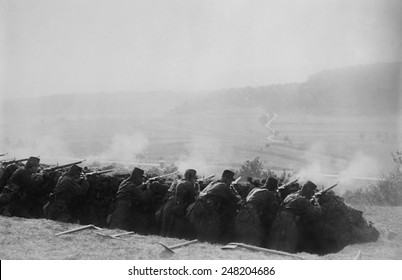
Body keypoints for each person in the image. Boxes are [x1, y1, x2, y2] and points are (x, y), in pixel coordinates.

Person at [187, 169, 242, 243]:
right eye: (230, 180)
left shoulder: (213, 183)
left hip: (198, 208)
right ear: (226, 178)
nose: (230, 182)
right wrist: (233, 188)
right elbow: (236, 200)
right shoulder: (223, 186)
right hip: (208, 213)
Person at [269, 180, 322, 253]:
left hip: (278, 220)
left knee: (274, 244)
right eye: (312, 192)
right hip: (288, 223)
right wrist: (316, 202)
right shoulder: (303, 201)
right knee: (287, 247)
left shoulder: (291, 195)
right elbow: (316, 213)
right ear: (309, 191)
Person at [235, 178, 280, 247]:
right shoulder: (269, 193)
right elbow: (275, 208)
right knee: (257, 237)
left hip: (242, 212)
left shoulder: (255, 189)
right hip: (252, 214)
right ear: (274, 187)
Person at [159, 169, 198, 239]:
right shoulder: (188, 184)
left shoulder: (180, 182)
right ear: (190, 176)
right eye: (194, 177)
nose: (195, 179)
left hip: (172, 207)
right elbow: (192, 199)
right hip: (180, 210)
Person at [109, 167, 149, 232]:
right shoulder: (132, 186)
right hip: (125, 212)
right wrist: (148, 187)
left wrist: (143, 185)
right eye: (141, 178)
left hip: (117, 210)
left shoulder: (124, 182)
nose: (141, 180)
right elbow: (144, 197)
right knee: (120, 231)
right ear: (137, 177)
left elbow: (134, 189)